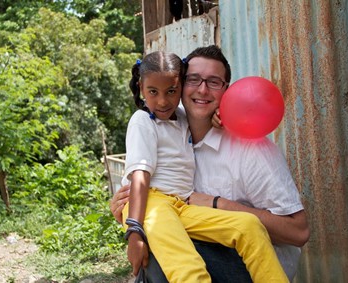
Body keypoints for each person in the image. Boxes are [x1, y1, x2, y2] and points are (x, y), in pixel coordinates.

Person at [111, 45, 310, 282]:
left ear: (227, 90)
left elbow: (300, 231)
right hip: (168, 211)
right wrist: (132, 222)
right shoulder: (162, 122)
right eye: (193, 79)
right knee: (167, 254)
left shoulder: (251, 148)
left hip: (248, 265)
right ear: (182, 85)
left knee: (246, 226)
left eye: (214, 82)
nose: (203, 90)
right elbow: (141, 177)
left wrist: (218, 204)